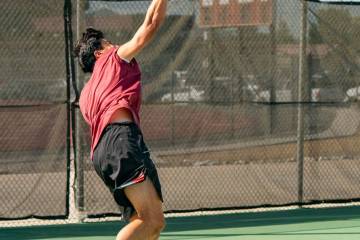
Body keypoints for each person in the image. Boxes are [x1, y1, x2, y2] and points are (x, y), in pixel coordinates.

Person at [74, 0, 167, 239]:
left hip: (102, 153)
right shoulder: (113, 59)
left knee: (144, 221)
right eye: (107, 42)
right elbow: (150, 25)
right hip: (121, 141)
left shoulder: (86, 94)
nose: (113, 44)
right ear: (99, 53)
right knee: (151, 220)